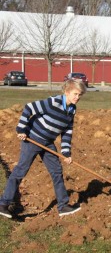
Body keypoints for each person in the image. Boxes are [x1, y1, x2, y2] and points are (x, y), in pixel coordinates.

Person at [0, 79, 87, 218]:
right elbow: (29, 107)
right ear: (67, 92)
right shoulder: (53, 103)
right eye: (75, 94)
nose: (77, 97)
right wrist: (21, 128)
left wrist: (66, 152)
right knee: (21, 170)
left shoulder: (72, 110)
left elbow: (67, 132)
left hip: (47, 143)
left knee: (57, 171)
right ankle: (3, 204)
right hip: (32, 139)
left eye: (80, 95)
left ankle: (63, 206)